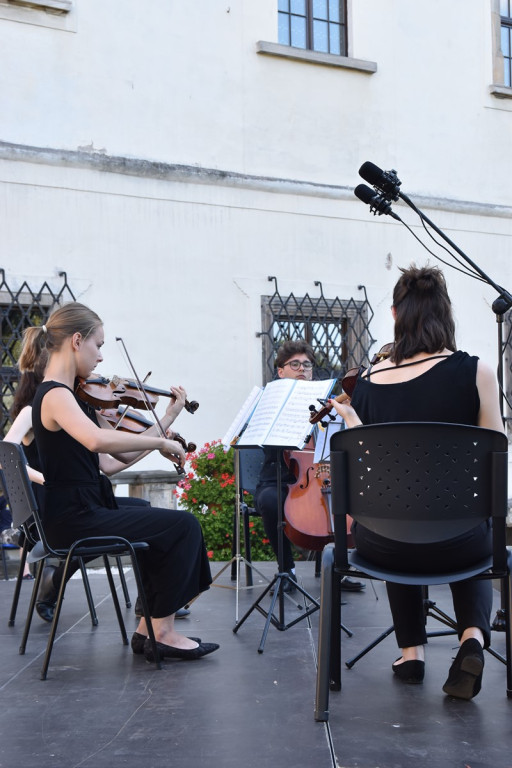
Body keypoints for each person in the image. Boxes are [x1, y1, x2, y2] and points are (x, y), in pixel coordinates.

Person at [329, 264, 504, 700]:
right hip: (461, 541)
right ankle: (472, 640)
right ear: (446, 315)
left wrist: (350, 418)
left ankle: (411, 653)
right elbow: (497, 451)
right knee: (468, 520)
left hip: (382, 546)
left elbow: (372, 474)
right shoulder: (476, 370)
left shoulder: (367, 381)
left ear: (394, 315)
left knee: (397, 511)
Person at [22, 301, 218, 662]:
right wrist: (159, 441)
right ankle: (165, 632)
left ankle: (147, 630)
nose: (100, 358)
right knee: (183, 525)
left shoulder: (71, 396)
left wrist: (166, 419)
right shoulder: (55, 395)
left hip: (81, 508)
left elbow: (112, 463)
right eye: (98, 345)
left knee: (150, 517)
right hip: (72, 518)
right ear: (77, 341)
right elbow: (97, 442)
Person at [4, 347, 191, 622]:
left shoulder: (81, 409)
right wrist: (43, 478)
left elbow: (111, 464)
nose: (96, 375)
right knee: (109, 524)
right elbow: (6, 458)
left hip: (78, 496)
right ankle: (55, 579)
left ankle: (152, 598)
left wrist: (162, 429)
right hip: (48, 500)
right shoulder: (34, 409)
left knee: (143, 508)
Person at [253, 340, 364, 593]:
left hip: (321, 473)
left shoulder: (326, 403)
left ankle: (342, 565)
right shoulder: (271, 403)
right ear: (281, 371)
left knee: (349, 497)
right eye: (295, 364)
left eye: (307, 365)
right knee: (270, 501)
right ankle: (286, 569)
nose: (302, 369)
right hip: (277, 476)